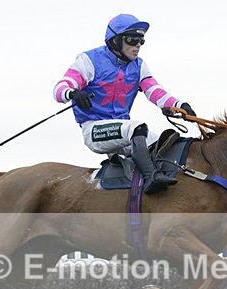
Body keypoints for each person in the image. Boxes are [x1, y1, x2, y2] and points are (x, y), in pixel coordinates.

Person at [53, 13, 194, 195]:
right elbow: (59, 88)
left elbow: (155, 91)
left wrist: (179, 105)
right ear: (115, 40)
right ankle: (151, 179)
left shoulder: (139, 65)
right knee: (137, 128)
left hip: (123, 132)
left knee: (164, 143)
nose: (137, 45)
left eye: (141, 41)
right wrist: (73, 93)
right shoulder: (89, 60)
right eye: (132, 39)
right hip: (94, 129)